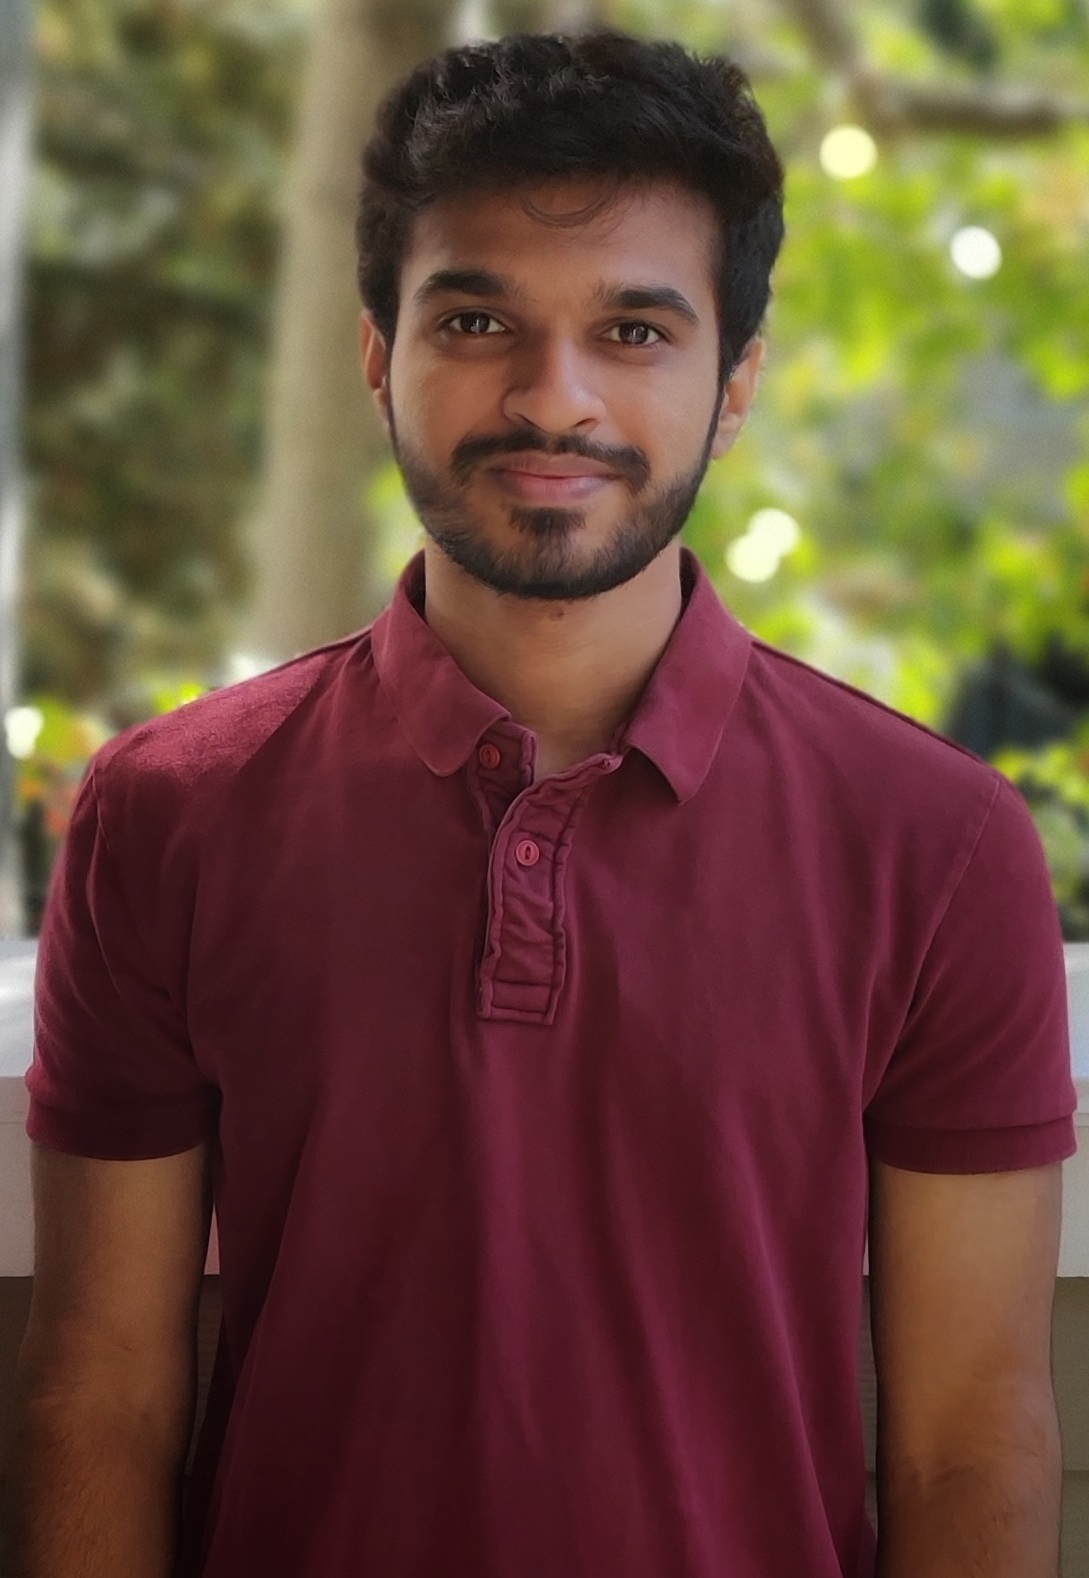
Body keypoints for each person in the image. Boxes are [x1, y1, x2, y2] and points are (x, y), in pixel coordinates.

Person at [2, 29, 1077, 1578]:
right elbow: (99, 1394)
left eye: (634, 330)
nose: (549, 396)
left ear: (735, 384)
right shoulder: (167, 817)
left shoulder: (938, 845)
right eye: (476, 317)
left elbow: (968, 1433)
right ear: (379, 354)